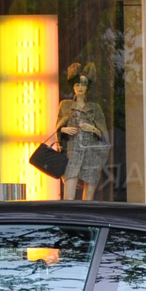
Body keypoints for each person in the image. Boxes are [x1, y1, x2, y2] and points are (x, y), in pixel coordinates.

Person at [55, 64, 109, 201]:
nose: (80, 88)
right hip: (72, 154)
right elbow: (58, 127)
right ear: (73, 87)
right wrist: (63, 129)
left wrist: (93, 129)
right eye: (77, 84)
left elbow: (103, 134)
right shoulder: (65, 105)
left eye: (83, 85)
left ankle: (87, 221)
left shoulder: (95, 108)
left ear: (87, 88)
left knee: (88, 199)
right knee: (68, 197)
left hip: (91, 155)